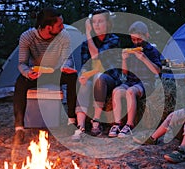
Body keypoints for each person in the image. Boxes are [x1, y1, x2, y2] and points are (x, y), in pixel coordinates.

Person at [13, 7, 78, 144]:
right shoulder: (27, 37)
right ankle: (19, 128)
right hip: (37, 73)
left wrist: (66, 66)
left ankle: (71, 120)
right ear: (48, 27)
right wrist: (28, 72)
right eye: (59, 25)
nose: (62, 27)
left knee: (72, 77)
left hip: (56, 73)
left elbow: (69, 59)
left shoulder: (64, 36)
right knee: (20, 82)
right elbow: (21, 63)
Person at [71, 9, 121, 141]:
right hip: (92, 77)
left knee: (99, 76)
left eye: (100, 21)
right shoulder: (84, 45)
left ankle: (96, 121)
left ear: (108, 24)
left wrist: (87, 33)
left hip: (109, 78)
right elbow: (86, 65)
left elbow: (96, 56)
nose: (97, 25)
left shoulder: (114, 39)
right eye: (94, 22)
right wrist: (82, 75)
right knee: (85, 83)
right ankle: (80, 126)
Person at [108, 21, 162, 138]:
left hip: (146, 83)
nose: (136, 42)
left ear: (146, 35)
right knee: (116, 91)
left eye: (139, 39)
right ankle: (117, 123)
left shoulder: (152, 51)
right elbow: (125, 73)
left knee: (130, 92)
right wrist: (124, 60)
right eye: (133, 39)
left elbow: (157, 71)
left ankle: (130, 124)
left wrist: (144, 58)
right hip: (131, 81)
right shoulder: (131, 50)